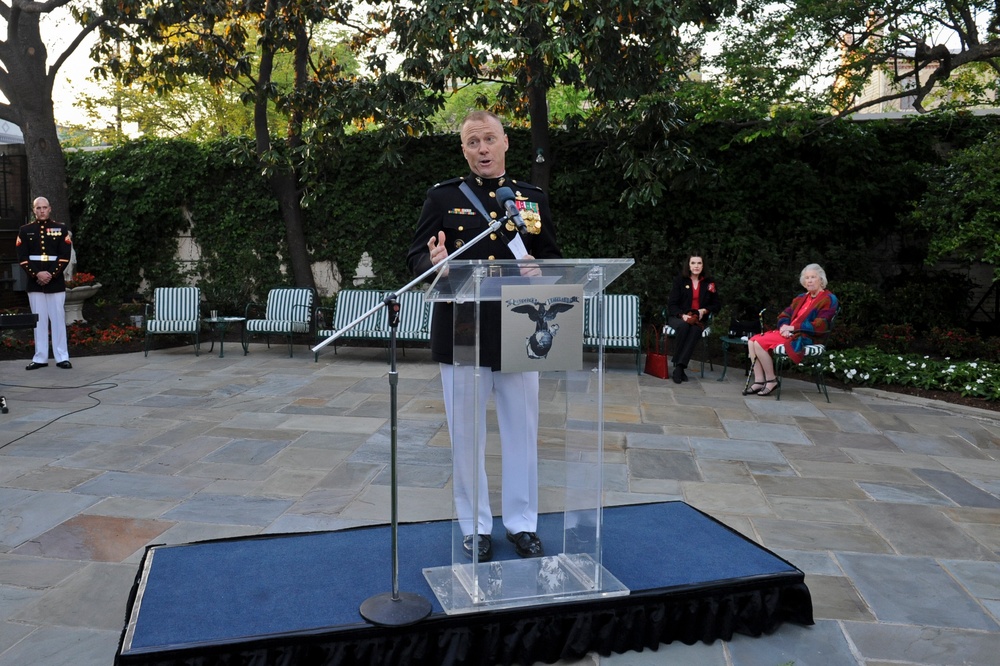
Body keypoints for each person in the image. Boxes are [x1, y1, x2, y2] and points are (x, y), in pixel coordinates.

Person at [406, 110, 561, 562]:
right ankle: (475, 526)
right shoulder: (442, 197)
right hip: (463, 330)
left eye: (489, 139)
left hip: (522, 330)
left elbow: (552, 257)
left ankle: (522, 524)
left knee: (522, 433)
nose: (482, 149)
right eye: (473, 142)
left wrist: (542, 271)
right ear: (464, 150)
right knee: (467, 438)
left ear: (506, 142)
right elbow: (416, 256)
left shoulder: (530, 198)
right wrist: (433, 261)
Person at [745, 264, 838, 396]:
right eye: (807, 278)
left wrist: (794, 328)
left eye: (813, 277)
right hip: (789, 333)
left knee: (758, 343)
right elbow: (785, 314)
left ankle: (771, 380)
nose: (809, 280)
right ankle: (759, 381)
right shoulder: (801, 298)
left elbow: (821, 324)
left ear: (821, 280)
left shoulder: (828, 299)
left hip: (806, 336)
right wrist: (784, 327)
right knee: (751, 342)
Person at [16, 197, 73, 370]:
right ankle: (40, 357)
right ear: (34, 210)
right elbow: (22, 257)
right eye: (38, 208)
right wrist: (37, 274)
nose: (41, 211)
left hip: (55, 282)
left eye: (44, 207)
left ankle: (62, 357)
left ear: (50, 209)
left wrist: (51, 274)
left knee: (58, 319)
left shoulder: (61, 229)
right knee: (38, 321)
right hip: (35, 282)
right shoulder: (25, 230)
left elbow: (64, 256)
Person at [666, 254, 721, 384]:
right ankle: (680, 367)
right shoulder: (680, 280)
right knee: (684, 326)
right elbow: (672, 304)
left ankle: (678, 368)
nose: (696, 266)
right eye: (693, 263)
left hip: (698, 318)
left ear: (703, 265)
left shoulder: (709, 282)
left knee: (695, 331)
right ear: (688, 265)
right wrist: (682, 315)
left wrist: (704, 310)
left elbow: (716, 305)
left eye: (699, 263)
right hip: (678, 317)